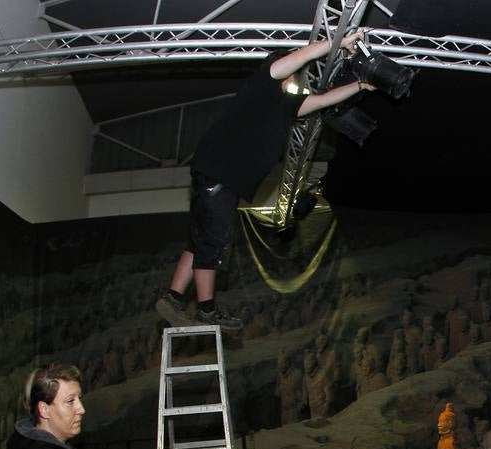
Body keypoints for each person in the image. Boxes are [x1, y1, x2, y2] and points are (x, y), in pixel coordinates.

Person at [156, 31, 375, 332]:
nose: (296, 77)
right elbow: (300, 57)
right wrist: (336, 44)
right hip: (220, 174)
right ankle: (207, 309)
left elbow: (323, 100)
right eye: (291, 71)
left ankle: (172, 297)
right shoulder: (263, 84)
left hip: (219, 178)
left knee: (200, 241)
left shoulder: (284, 107)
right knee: (214, 243)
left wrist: (360, 84)